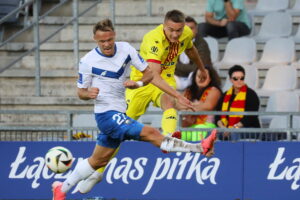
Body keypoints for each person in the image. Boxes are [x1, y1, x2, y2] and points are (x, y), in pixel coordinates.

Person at [52, 19, 217, 200]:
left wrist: (137, 83)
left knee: (97, 161)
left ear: (114, 36)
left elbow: (149, 73)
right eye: (102, 41)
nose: (106, 44)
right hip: (106, 115)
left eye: (109, 40)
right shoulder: (87, 61)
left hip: (120, 111)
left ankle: (61, 188)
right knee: (152, 133)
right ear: (95, 40)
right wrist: (88, 93)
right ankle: (199, 147)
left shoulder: (126, 49)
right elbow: (80, 92)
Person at [126, 9, 207, 137]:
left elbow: (191, 50)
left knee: (169, 102)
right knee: (122, 126)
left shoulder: (186, 33)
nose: (175, 34)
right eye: (171, 30)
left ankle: (168, 137)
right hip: (143, 80)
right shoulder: (153, 39)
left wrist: (202, 69)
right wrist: (179, 96)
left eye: (178, 30)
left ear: (183, 27)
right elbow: (153, 76)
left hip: (166, 78)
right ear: (164, 26)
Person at [175, 66, 222, 141]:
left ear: (210, 79)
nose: (201, 79)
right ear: (195, 77)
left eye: (204, 77)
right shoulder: (189, 90)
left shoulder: (214, 90)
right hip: (188, 125)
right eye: (199, 76)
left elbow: (207, 106)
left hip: (207, 125)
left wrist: (188, 108)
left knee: (197, 132)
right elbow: (178, 105)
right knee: (176, 136)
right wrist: (194, 107)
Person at [215, 65, 260, 141]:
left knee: (234, 133)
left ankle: (234, 152)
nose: (239, 81)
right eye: (235, 78)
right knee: (212, 132)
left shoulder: (251, 94)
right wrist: (223, 129)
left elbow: (250, 117)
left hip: (249, 129)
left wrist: (233, 128)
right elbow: (218, 116)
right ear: (230, 80)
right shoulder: (225, 95)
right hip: (228, 128)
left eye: (241, 78)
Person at [175, 16, 212, 91]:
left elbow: (198, 67)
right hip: (177, 76)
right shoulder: (174, 42)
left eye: (191, 28)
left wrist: (176, 66)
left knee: (198, 74)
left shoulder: (202, 44)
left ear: (196, 30)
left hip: (195, 77)